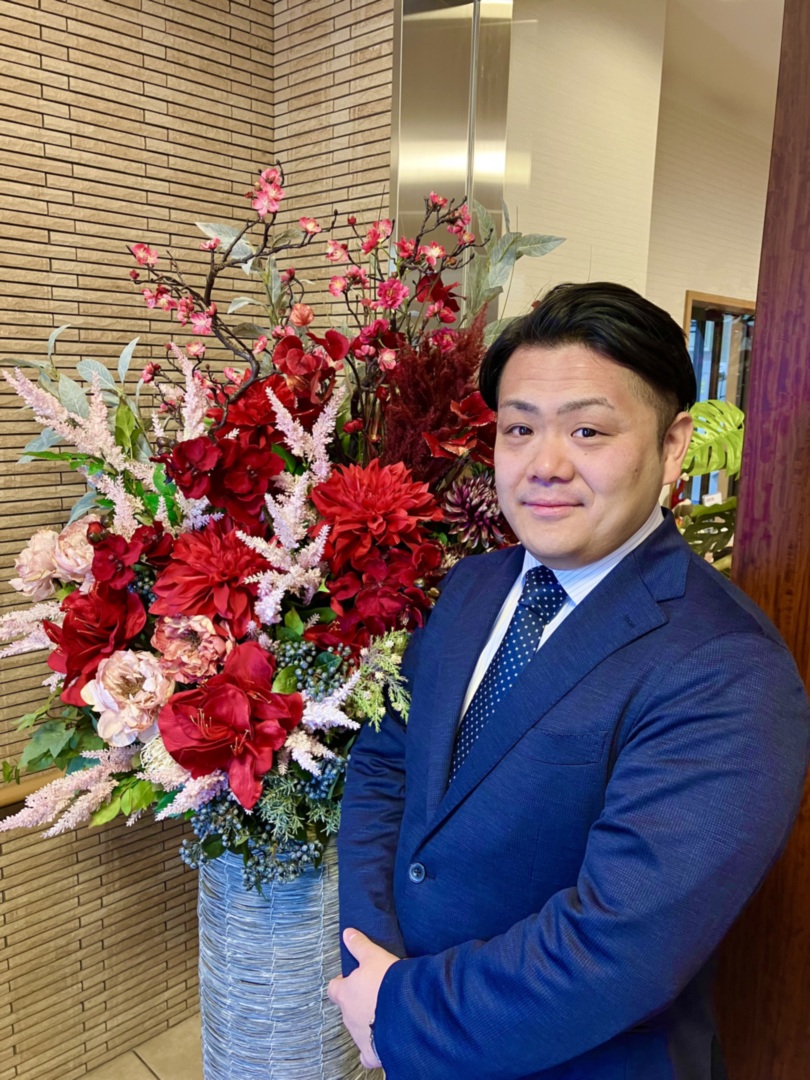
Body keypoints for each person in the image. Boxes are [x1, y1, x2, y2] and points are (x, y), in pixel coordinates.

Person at [328, 282, 810, 1080]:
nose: (545, 465)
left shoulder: (728, 667)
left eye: (588, 430)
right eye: (519, 429)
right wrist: (371, 960)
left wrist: (403, 1009)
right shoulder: (470, 587)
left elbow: (619, 948)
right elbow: (385, 763)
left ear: (674, 446)